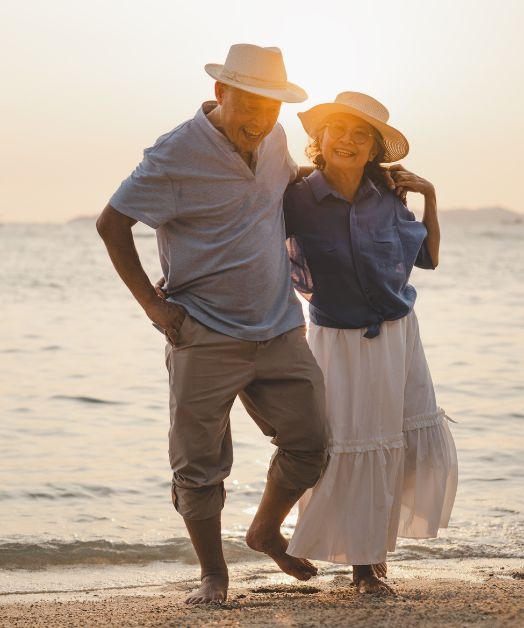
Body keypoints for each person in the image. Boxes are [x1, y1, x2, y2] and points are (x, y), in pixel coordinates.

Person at [95, 44, 328, 605]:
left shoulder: (273, 137)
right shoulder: (175, 155)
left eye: (270, 107)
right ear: (221, 93)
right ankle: (213, 576)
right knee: (198, 467)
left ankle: (265, 530)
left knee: (312, 443)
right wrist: (155, 309)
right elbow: (111, 224)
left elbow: (288, 193)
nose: (259, 118)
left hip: (278, 328)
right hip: (203, 333)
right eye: (249, 103)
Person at [282, 92, 458, 595]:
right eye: (340, 130)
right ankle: (360, 567)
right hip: (339, 339)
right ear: (321, 139)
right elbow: (255, 245)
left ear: (374, 149)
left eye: (363, 135)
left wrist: (431, 195)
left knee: (395, 442)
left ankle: (373, 556)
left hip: (400, 333)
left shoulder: (387, 196)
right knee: (354, 442)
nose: (349, 141)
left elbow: (429, 257)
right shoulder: (296, 198)